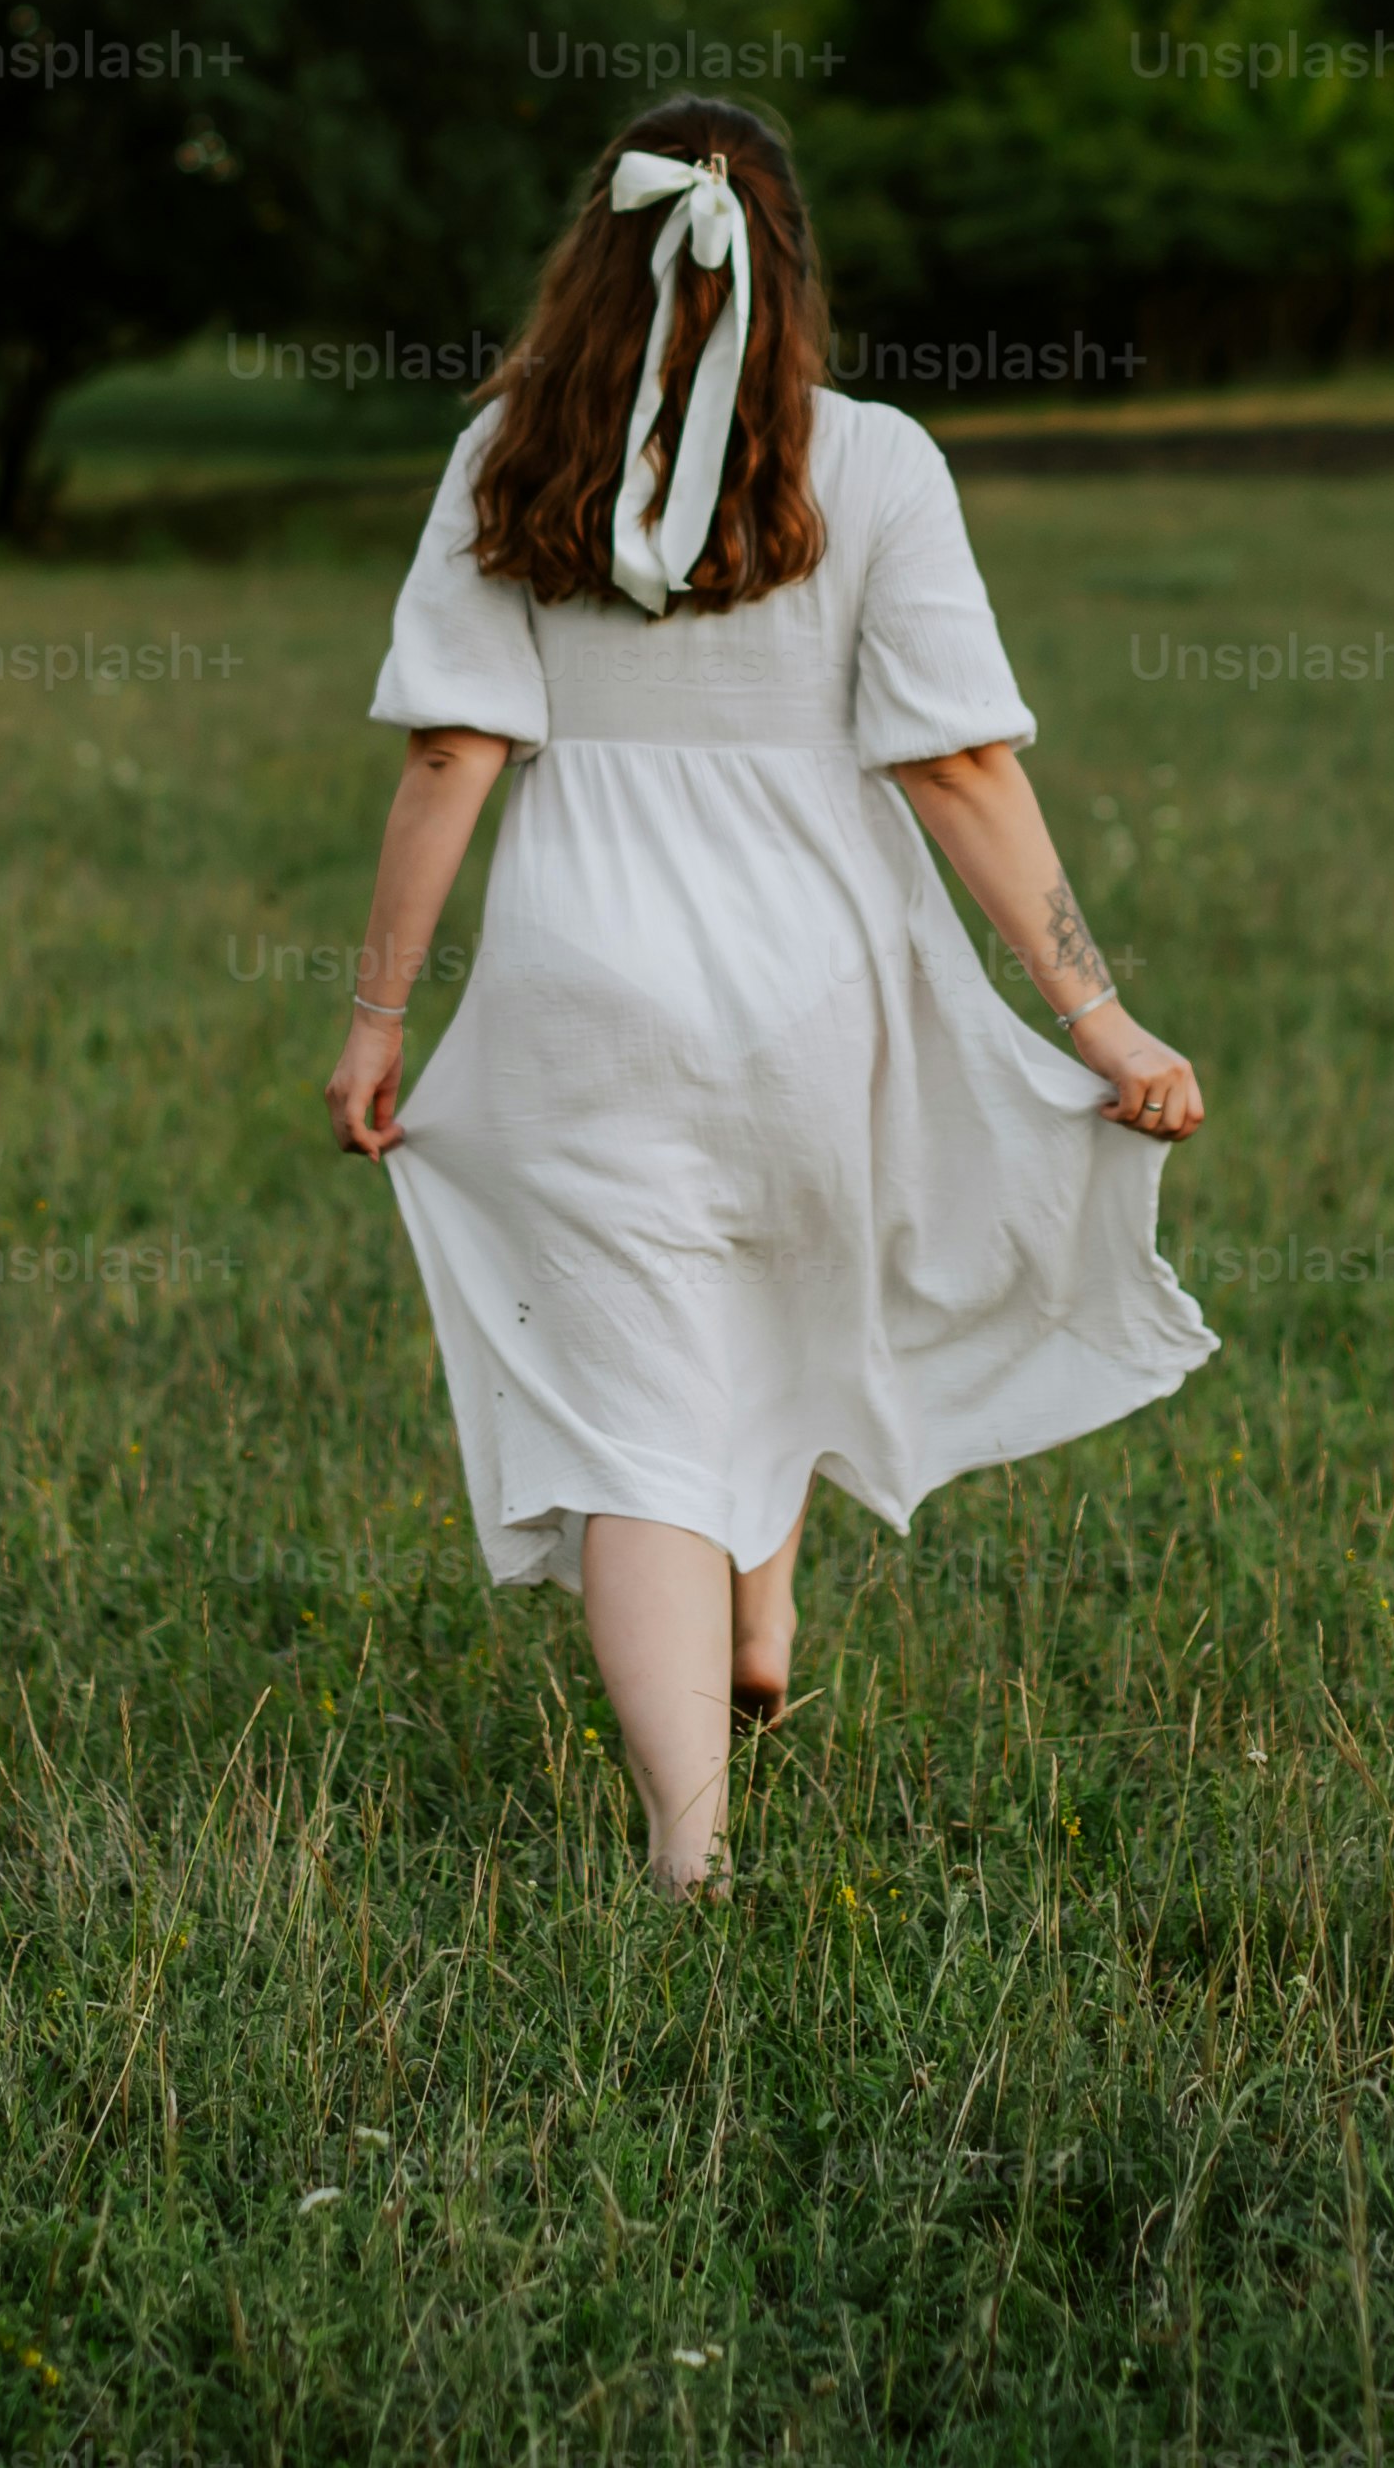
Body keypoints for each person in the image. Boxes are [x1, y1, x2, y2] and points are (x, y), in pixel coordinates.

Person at [321, 97, 1215, 1898]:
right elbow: (961, 766)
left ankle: (688, 1847)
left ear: (596, 264)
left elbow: (450, 752)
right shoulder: (875, 462)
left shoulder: (517, 448)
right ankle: (766, 1595)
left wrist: (375, 1017)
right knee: (794, 1282)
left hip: (585, 991)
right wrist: (1096, 1017)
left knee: (629, 1411)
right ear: (787, 267)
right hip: (818, 985)